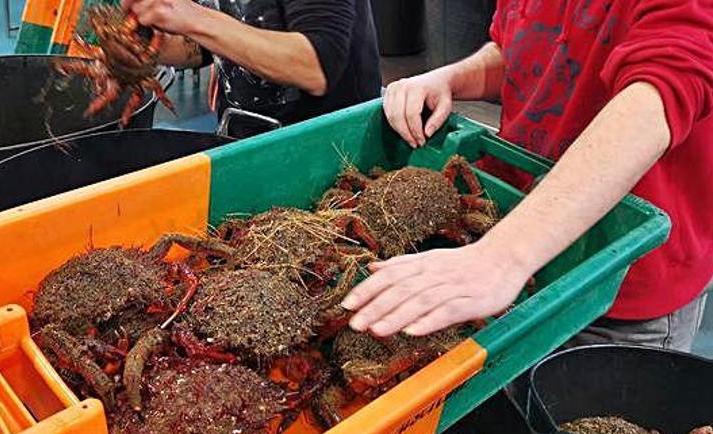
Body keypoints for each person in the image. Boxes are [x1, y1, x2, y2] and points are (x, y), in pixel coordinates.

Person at [343, 0, 713, 352]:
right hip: (516, 239)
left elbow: (665, 86)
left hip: (620, 284)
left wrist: (503, 256)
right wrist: (451, 78)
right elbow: (523, 48)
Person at [121, 0, 381, 136]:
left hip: (326, 152)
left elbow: (315, 66)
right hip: (241, 140)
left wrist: (192, 17)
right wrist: (143, 49)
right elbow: (210, 44)